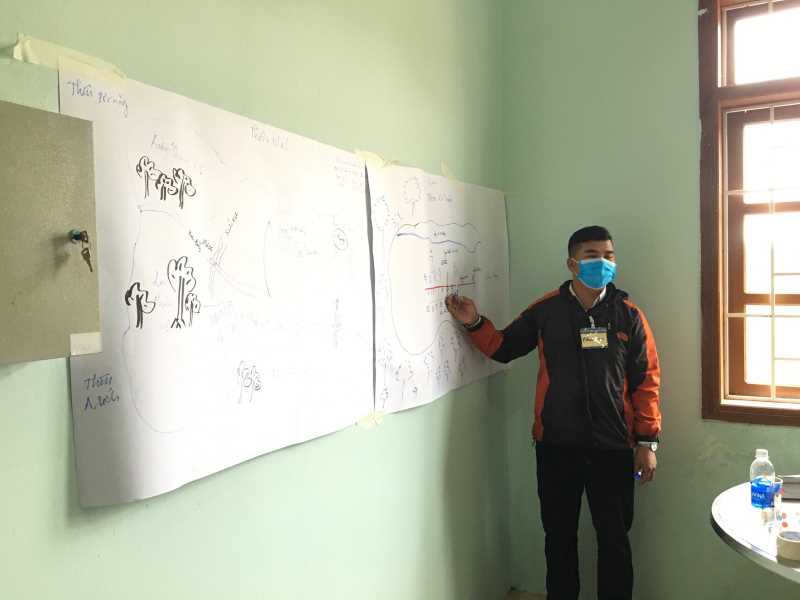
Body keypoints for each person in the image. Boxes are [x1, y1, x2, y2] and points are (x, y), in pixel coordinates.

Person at [446, 225, 661, 600]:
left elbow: (647, 381)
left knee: (614, 540)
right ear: (572, 264)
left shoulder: (629, 315)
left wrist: (648, 442)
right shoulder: (547, 311)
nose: (603, 262)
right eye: (592, 256)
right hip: (557, 447)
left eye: (609, 256)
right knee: (558, 538)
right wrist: (474, 323)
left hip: (613, 448)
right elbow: (504, 347)